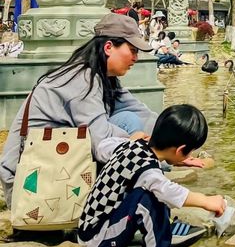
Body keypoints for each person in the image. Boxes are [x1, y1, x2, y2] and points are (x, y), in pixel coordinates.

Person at [0, 14, 158, 206]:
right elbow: (101, 142)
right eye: (132, 50)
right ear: (108, 47)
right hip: (29, 182)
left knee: (129, 119)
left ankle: (145, 205)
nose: (136, 58)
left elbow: (141, 112)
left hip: (57, 169)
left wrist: (170, 142)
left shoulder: (102, 77)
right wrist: (143, 146)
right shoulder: (82, 79)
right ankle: (144, 210)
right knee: (129, 128)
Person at [78, 104, 226, 247]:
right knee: (146, 197)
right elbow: (172, 192)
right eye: (190, 151)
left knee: (151, 188)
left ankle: (165, 228)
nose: (192, 155)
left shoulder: (130, 147)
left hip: (92, 229)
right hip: (100, 245)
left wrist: (133, 140)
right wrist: (206, 201)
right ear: (180, 150)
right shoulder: (148, 171)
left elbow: (102, 147)